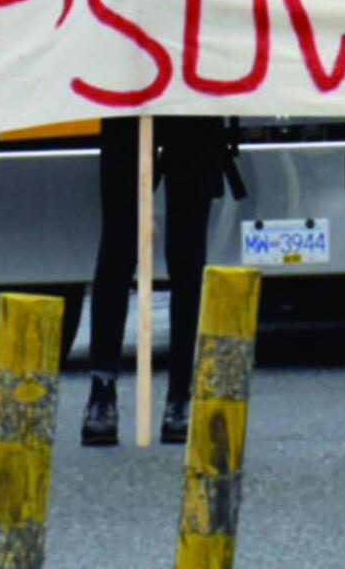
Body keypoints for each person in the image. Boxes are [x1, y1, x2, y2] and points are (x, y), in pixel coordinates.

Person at [80, 115, 233, 447]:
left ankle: (181, 393)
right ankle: (102, 388)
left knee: (187, 257)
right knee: (118, 247)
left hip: (193, 113)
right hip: (130, 111)